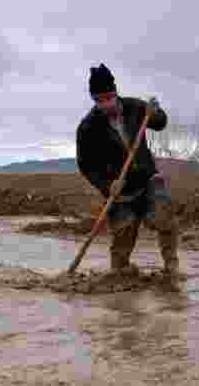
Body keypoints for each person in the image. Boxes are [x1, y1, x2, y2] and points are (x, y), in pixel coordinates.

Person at [75, 63, 181, 279]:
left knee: (165, 221)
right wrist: (106, 186)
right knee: (123, 234)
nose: (105, 104)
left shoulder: (135, 107)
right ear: (94, 100)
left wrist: (156, 111)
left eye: (108, 97)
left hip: (148, 178)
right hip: (119, 190)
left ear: (115, 93)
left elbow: (160, 123)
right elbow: (86, 166)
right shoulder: (88, 127)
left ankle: (172, 269)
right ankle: (121, 275)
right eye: (99, 100)